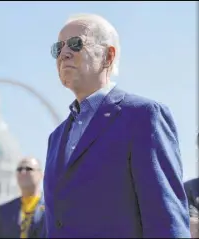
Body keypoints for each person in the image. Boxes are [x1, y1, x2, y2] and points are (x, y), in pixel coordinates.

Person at [43, 13, 190, 238]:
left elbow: (166, 219)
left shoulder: (143, 116)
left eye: (75, 44)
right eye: (58, 48)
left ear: (108, 56)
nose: (64, 54)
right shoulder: (56, 137)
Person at [0, 157, 46, 238]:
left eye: (29, 169)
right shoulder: (3, 211)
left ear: (41, 174)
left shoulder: (51, 208)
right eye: (19, 169)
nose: (23, 172)